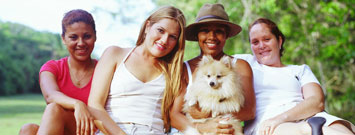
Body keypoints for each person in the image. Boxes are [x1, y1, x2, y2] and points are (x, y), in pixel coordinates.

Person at [233, 18, 355, 135]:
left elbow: (316, 102)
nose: (261, 45)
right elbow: (215, 59)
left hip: (309, 117)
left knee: (341, 129)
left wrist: (281, 118)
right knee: (305, 130)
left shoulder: (300, 70)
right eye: (255, 42)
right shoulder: (244, 62)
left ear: (279, 41)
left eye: (266, 39)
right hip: (269, 125)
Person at [87, 6, 186, 135]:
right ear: (147, 26)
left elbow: (175, 116)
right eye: (160, 30)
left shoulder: (175, 71)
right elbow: (94, 105)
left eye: (172, 37)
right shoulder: (115, 54)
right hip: (112, 131)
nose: (164, 40)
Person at [169, 3, 256, 134]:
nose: (212, 37)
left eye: (219, 32)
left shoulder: (239, 65)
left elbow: (249, 111)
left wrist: (207, 114)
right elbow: (175, 116)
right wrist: (201, 128)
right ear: (197, 35)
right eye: (205, 31)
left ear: (226, 35)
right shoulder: (184, 69)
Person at [19, 9, 98, 135]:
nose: (81, 43)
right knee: (28, 129)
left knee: (54, 108)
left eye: (87, 36)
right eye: (73, 37)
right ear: (63, 39)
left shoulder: (103, 69)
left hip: (92, 131)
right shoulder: (52, 67)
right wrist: (77, 104)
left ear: (95, 36)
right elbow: (50, 96)